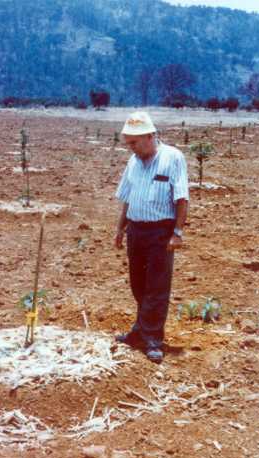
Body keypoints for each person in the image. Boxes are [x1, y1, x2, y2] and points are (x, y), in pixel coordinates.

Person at [115, 111, 189, 363]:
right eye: (129, 143)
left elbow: (181, 198)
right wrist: (120, 229)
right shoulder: (133, 162)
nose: (131, 148)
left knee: (157, 286)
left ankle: (153, 338)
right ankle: (140, 331)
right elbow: (127, 197)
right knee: (138, 283)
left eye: (134, 143)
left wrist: (177, 233)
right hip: (136, 230)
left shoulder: (173, 158)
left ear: (150, 136)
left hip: (161, 231)